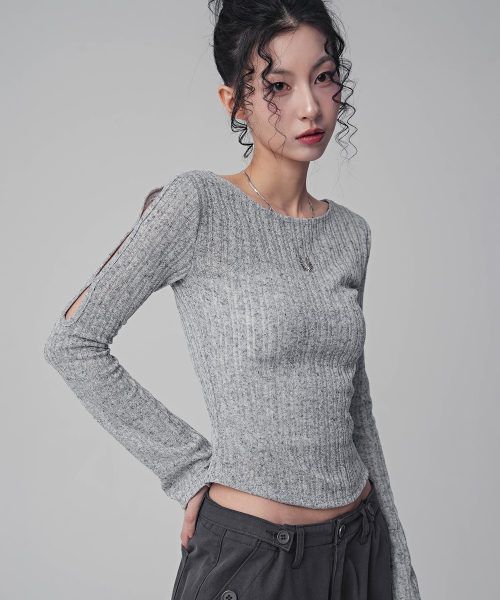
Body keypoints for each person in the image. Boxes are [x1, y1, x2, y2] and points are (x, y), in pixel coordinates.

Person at [44, 1, 421, 598]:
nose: (309, 106)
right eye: (279, 85)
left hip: (359, 546)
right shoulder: (197, 205)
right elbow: (73, 341)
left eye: (323, 77)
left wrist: (398, 562)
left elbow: (357, 404)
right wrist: (189, 468)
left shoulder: (352, 234)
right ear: (234, 102)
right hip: (255, 559)